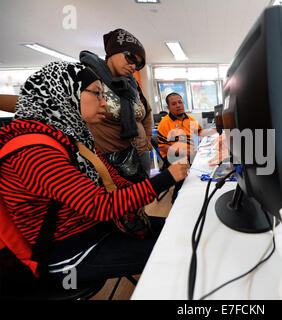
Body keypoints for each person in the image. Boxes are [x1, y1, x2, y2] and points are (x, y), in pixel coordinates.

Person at [0, 61, 189, 285]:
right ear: (64, 92)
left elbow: (111, 178)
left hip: (96, 228)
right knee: (179, 255)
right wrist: (167, 178)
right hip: (69, 251)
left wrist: (137, 193)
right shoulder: (33, 151)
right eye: (97, 94)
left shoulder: (70, 138)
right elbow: (99, 205)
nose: (105, 104)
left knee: (179, 232)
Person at [79, 28, 153, 183]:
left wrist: (147, 137)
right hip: (112, 159)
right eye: (130, 57)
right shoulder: (90, 78)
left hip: (140, 153)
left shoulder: (132, 84)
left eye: (138, 64)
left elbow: (146, 110)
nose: (133, 66)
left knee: (141, 200)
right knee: (122, 203)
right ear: (113, 52)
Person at [157, 92, 217, 202]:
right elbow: (163, 147)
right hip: (173, 155)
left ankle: (196, 195)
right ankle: (176, 200)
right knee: (185, 175)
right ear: (168, 107)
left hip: (190, 153)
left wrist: (214, 130)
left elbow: (200, 132)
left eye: (180, 102)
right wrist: (184, 152)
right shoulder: (164, 123)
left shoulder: (190, 119)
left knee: (209, 163)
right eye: (174, 104)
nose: (178, 105)